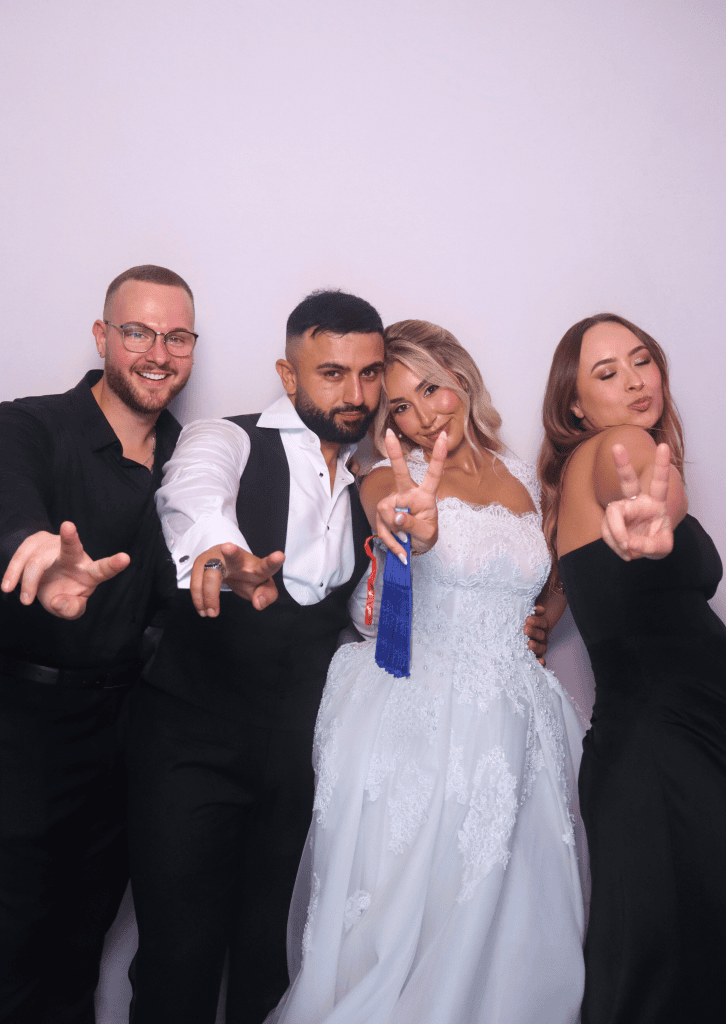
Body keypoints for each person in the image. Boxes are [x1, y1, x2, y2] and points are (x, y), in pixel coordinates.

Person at [127, 294, 555, 1024]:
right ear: (288, 376)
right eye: (332, 374)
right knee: (180, 955)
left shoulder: (394, 475)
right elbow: (193, 488)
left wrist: (527, 610)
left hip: (302, 748)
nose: (355, 395)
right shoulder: (233, 438)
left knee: (274, 955)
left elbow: (421, 561)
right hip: (195, 742)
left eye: (368, 377)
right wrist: (216, 549)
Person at [268, 320, 586, 1024]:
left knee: (515, 926)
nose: (421, 415)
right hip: (427, 721)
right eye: (400, 407)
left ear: (462, 378)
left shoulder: (515, 472)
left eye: (432, 390)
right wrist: (410, 520)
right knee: (416, 924)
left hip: (519, 723)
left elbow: (536, 579)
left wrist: (543, 614)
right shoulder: (389, 471)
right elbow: (391, 512)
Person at [0, 264, 196, 1023]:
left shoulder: (191, 457)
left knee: (81, 945)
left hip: (130, 737)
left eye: (176, 337)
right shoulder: (29, 425)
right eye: (137, 332)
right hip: (20, 726)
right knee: (11, 945)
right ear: (102, 338)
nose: (157, 354)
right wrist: (26, 545)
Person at [538, 312, 726, 1024]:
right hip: (665, 753)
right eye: (605, 372)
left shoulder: (587, 472)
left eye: (639, 360)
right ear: (576, 406)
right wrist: (658, 509)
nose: (633, 380)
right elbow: (654, 498)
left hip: (674, 745)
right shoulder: (619, 448)